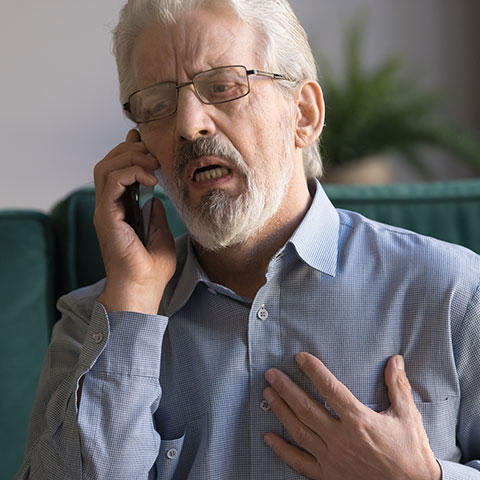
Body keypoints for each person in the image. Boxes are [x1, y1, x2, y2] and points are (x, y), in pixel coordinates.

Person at [17, 0, 480, 478]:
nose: (188, 124)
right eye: (158, 104)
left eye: (222, 86)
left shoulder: (452, 290)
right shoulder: (95, 325)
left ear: (303, 114)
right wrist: (131, 301)